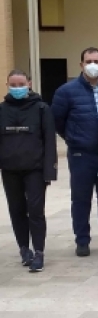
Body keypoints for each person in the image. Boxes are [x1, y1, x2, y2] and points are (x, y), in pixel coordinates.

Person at [52, 47, 98, 257]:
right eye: (88, 61)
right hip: (81, 155)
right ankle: (82, 240)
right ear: (81, 65)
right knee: (81, 198)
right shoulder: (66, 91)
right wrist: (74, 139)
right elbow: (58, 121)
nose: (92, 65)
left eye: (96, 61)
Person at [0, 70, 57, 272]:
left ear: (29, 83)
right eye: (13, 85)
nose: (17, 88)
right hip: (9, 170)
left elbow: (50, 141)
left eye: (21, 84)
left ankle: (39, 252)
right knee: (16, 210)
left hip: (35, 170)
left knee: (35, 211)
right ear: (7, 85)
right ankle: (24, 249)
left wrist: (50, 171)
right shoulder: (2, 109)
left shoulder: (41, 108)